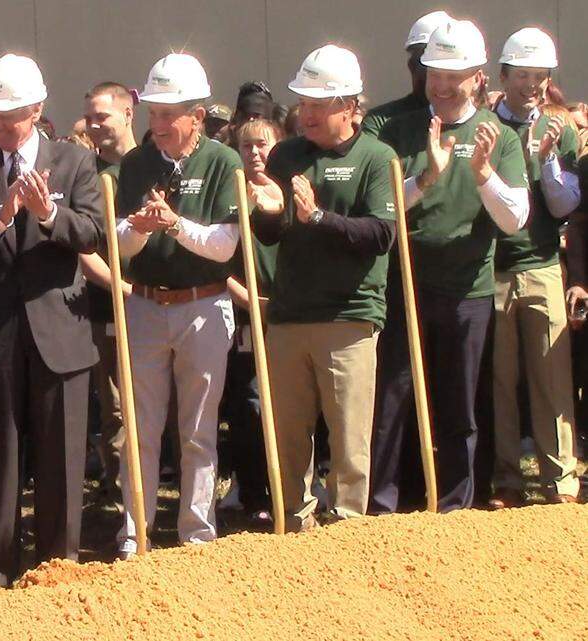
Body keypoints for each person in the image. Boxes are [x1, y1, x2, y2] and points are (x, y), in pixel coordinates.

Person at [0, 53, 102, 586]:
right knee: (0, 452)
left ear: (36, 109)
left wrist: (48, 216)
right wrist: (0, 216)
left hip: (60, 330)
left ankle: (59, 562)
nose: (0, 124)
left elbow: (92, 233)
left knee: (61, 454)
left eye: (11, 114)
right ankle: (1, 563)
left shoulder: (74, 162)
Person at [371, 19, 529, 513]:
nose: (440, 85)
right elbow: (383, 209)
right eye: (434, 73)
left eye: (453, 75)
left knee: (460, 403)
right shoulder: (398, 131)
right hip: (406, 286)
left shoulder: (498, 136)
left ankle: (457, 504)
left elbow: (515, 217)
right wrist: (427, 176)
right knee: (394, 399)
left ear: (478, 77)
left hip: (469, 291)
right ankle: (384, 502)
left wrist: (483, 176)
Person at [248, 45, 397, 531]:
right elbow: (271, 234)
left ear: (350, 107)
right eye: (304, 103)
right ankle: (294, 520)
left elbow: (380, 235)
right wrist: (267, 212)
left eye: (318, 104)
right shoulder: (287, 154)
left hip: (350, 317)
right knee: (289, 433)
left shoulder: (377, 158)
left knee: (349, 436)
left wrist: (319, 217)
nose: (305, 113)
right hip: (290, 314)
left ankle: (348, 525)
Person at [114, 53, 240, 557]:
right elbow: (119, 243)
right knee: (139, 429)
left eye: (170, 114)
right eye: (154, 114)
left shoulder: (222, 162)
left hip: (204, 306)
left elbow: (226, 246)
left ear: (198, 117)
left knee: (198, 430)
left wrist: (174, 225)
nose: (159, 124)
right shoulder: (136, 164)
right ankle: (134, 535)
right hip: (145, 304)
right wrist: (139, 230)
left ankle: (197, 536)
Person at [488, 27, 581, 506]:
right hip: (494, 268)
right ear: (503, 76)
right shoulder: (485, 126)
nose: (532, 85)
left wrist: (546, 162)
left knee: (552, 375)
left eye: (540, 76)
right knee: (502, 380)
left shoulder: (558, 128)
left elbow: (564, 206)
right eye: (522, 75)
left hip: (543, 264)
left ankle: (560, 477)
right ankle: (508, 477)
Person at [221, 116, 282, 523]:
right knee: (248, 404)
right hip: (245, 314)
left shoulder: (291, 192)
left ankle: (291, 486)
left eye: (263, 145)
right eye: (247, 147)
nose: (255, 153)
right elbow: (217, 258)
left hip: (288, 312)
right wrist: (246, 299)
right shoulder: (230, 194)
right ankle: (252, 490)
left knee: (286, 404)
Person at [80, 81, 137, 499]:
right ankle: (123, 496)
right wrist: (122, 289)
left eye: (103, 115)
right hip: (107, 306)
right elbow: (83, 250)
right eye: (90, 117)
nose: (94, 124)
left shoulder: (151, 166)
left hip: (163, 303)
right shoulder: (87, 175)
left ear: (128, 112)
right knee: (116, 405)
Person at [361, 11, 452, 136]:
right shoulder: (381, 122)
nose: (442, 82)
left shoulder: (482, 123)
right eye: (428, 65)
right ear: (412, 66)